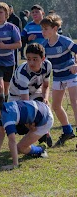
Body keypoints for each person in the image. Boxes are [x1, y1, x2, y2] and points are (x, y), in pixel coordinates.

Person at [0, 93, 53, 171]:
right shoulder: (3, 109)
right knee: (16, 148)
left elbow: (12, 141)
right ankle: (40, 133)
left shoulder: (7, 117)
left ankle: (41, 149)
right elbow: (1, 131)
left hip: (46, 119)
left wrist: (15, 164)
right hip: (41, 109)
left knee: (20, 148)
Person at [40, 14, 77, 147]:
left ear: (55, 28)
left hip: (71, 76)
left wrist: (76, 65)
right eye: (42, 29)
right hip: (58, 77)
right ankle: (68, 131)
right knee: (55, 106)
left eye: (46, 29)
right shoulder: (44, 45)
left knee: (74, 103)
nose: (43, 32)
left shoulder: (64, 41)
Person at [8, 43, 53, 146]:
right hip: (17, 97)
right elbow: (26, 104)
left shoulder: (48, 65)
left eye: (35, 59)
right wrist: (30, 124)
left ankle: (44, 134)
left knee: (45, 108)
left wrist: (45, 99)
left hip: (34, 92)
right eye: (28, 59)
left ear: (43, 58)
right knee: (21, 124)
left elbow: (46, 86)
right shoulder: (23, 73)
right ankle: (36, 136)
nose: (31, 62)